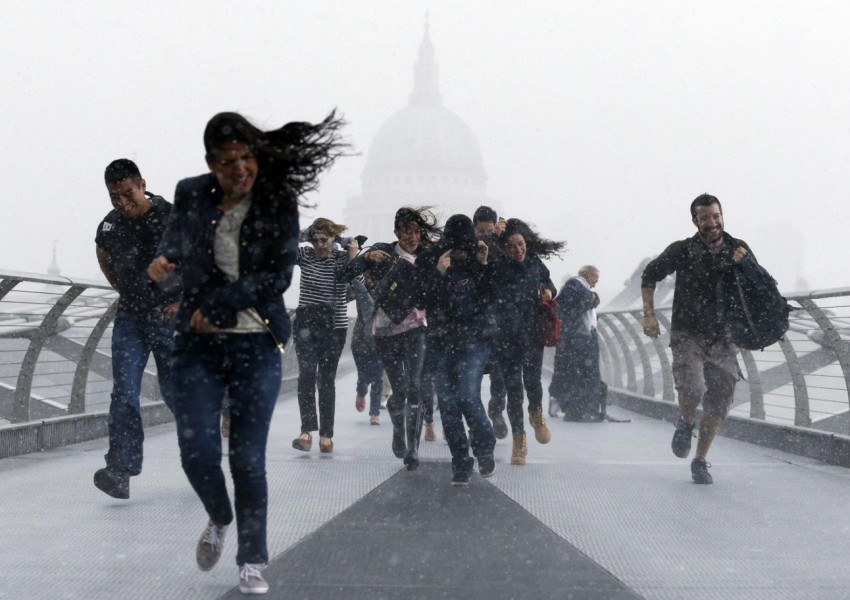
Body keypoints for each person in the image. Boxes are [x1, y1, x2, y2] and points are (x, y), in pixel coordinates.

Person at [148, 110, 344, 594]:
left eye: (247, 158)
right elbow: (175, 244)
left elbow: (277, 277)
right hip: (197, 346)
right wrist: (165, 266)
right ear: (211, 164)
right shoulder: (190, 191)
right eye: (227, 162)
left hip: (257, 342)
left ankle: (252, 559)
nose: (240, 170)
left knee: (247, 457)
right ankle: (219, 515)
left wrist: (217, 305)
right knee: (196, 450)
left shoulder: (278, 200)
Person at [641, 193, 752, 485]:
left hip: (724, 338)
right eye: (705, 218)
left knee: (720, 400)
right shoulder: (682, 250)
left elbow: (758, 286)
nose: (712, 223)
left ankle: (700, 460)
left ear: (722, 216)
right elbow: (649, 275)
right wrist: (649, 315)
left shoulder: (738, 249)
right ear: (695, 220)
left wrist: (747, 264)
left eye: (716, 216)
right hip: (687, 333)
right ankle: (686, 420)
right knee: (692, 389)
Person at [93, 159, 179, 500]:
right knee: (124, 392)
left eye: (127, 193)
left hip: (170, 318)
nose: (122, 203)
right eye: (115, 196)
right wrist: (125, 290)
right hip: (131, 317)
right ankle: (121, 470)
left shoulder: (172, 218)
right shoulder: (110, 225)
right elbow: (102, 253)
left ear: (142, 184)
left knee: (176, 395)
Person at [342, 206, 440, 470]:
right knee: (399, 391)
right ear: (396, 232)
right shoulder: (383, 251)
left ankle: (413, 449)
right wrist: (365, 257)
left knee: (415, 386)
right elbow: (348, 273)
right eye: (407, 232)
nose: (412, 237)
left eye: (417, 232)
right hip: (387, 329)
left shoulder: (428, 256)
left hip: (416, 327)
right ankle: (398, 426)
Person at [417, 214, 497, 485]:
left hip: (473, 341)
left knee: (466, 397)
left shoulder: (482, 258)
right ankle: (460, 462)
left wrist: (483, 266)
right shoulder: (431, 259)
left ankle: (484, 446)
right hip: (440, 341)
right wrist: (439, 273)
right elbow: (420, 299)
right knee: (449, 406)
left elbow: (490, 300)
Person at [491, 218, 564, 465]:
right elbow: (481, 258)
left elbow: (550, 282)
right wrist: (492, 236)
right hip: (506, 337)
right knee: (513, 391)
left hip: (532, 335)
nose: (518, 250)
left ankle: (536, 414)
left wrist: (549, 292)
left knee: (532, 381)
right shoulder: (498, 266)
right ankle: (519, 441)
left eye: (520, 244)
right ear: (504, 249)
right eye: (511, 246)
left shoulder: (534, 263)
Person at [291, 218, 358, 453]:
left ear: (333, 239)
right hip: (305, 324)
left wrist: (347, 249)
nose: (319, 245)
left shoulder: (341, 259)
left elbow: (358, 283)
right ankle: (306, 431)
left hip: (334, 327)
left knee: (326, 380)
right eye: (315, 239)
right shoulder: (304, 255)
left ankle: (327, 435)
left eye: (324, 239)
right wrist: (302, 235)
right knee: (307, 375)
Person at [549, 266, 604, 422]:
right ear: (587, 275)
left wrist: (594, 298)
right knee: (588, 374)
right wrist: (593, 298)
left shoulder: (574, 287)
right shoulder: (575, 285)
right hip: (580, 337)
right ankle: (584, 410)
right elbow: (588, 300)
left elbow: (589, 300)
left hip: (575, 338)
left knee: (574, 373)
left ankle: (572, 407)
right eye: (595, 279)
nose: (595, 284)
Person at [472, 205, 508, 439]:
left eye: (489, 230)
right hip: (473, 324)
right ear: (474, 228)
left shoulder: (504, 247)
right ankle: (472, 416)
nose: (485, 235)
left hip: (497, 323)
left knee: (500, 373)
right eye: (481, 231)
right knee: (470, 375)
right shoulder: (466, 248)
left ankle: (496, 412)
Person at [350, 274, 384, 425]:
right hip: (361, 339)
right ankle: (361, 391)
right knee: (364, 375)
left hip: (381, 337)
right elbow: (345, 295)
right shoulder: (359, 282)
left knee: (378, 377)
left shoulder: (388, 282)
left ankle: (374, 412)